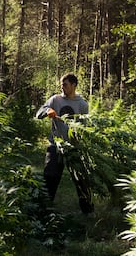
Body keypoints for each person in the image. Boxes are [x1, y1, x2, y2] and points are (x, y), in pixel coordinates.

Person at [36, 73, 94, 214]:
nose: (62, 87)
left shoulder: (82, 104)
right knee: (50, 176)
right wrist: (47, 111)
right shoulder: (55, 100)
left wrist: (78, 138)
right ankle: (44, 209)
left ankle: (87, 211)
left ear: (73, 85)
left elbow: (84, 127)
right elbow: (39, 113)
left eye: (65, 84)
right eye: (61, 84)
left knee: (81, 180)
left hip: (74, 148)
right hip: (55, 145)